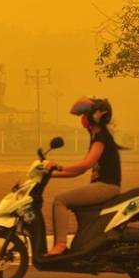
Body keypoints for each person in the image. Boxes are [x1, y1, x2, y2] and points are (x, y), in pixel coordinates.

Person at [44, 97, 123, 256]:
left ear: (95, 117)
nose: (82, 119)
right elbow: (78, 171)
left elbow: (86, 164)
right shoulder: (96, 136)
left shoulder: (101, 137)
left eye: (85, 115)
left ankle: (60, 245)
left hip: (106, 187)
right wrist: (50, 175)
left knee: (60, 201)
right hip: (101, 186)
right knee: (64, 200)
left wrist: (59, 166)